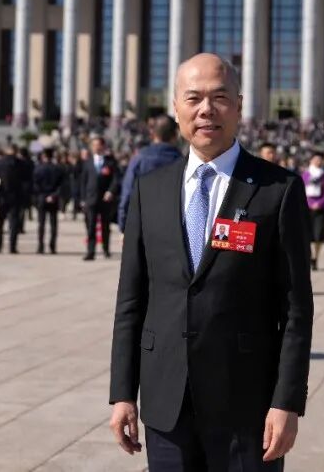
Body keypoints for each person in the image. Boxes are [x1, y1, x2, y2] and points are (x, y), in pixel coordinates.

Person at [109, 53, 313, 471]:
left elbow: (296, 309)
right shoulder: (151, 189)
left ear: (238, 105)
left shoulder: (277, 189)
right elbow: (131, 300)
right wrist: (123, 393)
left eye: (219, 98)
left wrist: (287, 401)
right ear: (176, 108)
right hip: (166, 405)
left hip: (246, 407)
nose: (206, 109)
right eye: (194, 98)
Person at [117, 115, 183, 231]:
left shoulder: (140, 158)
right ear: (175, 135)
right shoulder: (182, 161)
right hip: (172, 227)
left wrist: (123, 225)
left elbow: (127, 194)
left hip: (142, 224)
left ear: (153, 134)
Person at [80, 135, 120, 260]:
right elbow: (83, 182)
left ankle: (106, 249)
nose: (96, 147)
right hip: (91, 199)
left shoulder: (110, 162)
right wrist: (82, 199)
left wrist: (111, 191)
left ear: (103, 146)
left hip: (105, 199)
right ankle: (90, 251)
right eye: (94, 145)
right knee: (90, 226)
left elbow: (116, 179)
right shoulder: (87, 162)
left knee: (105, 226)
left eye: (98, 145)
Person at [302, 152, 324, 271]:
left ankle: (316, 257)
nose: (318, 162)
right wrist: (309, 203)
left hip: (321, 209)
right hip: (307, 208)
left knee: (318, 234)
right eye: (316, 159)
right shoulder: (305, 175)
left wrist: (320, 203)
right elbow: (301, 191)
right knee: (307, 234)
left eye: (320, 160)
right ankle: (308, 255)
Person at [0, 146, 24, 254]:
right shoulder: (20, 164)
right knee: (13, 222)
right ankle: (12, 246)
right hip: (15, 196)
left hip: (2, 195)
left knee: (0, 222)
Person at [33, 148, 64, 254]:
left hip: (42, 197)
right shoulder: (58, 168)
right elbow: (61, 185)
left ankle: (40, 246)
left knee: (41, 224)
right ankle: (52, 246)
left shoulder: (38, 168)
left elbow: (35, 184)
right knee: (53, 224)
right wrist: (53, 195)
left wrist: (41, 195)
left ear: (43, 156)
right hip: (53, 198)